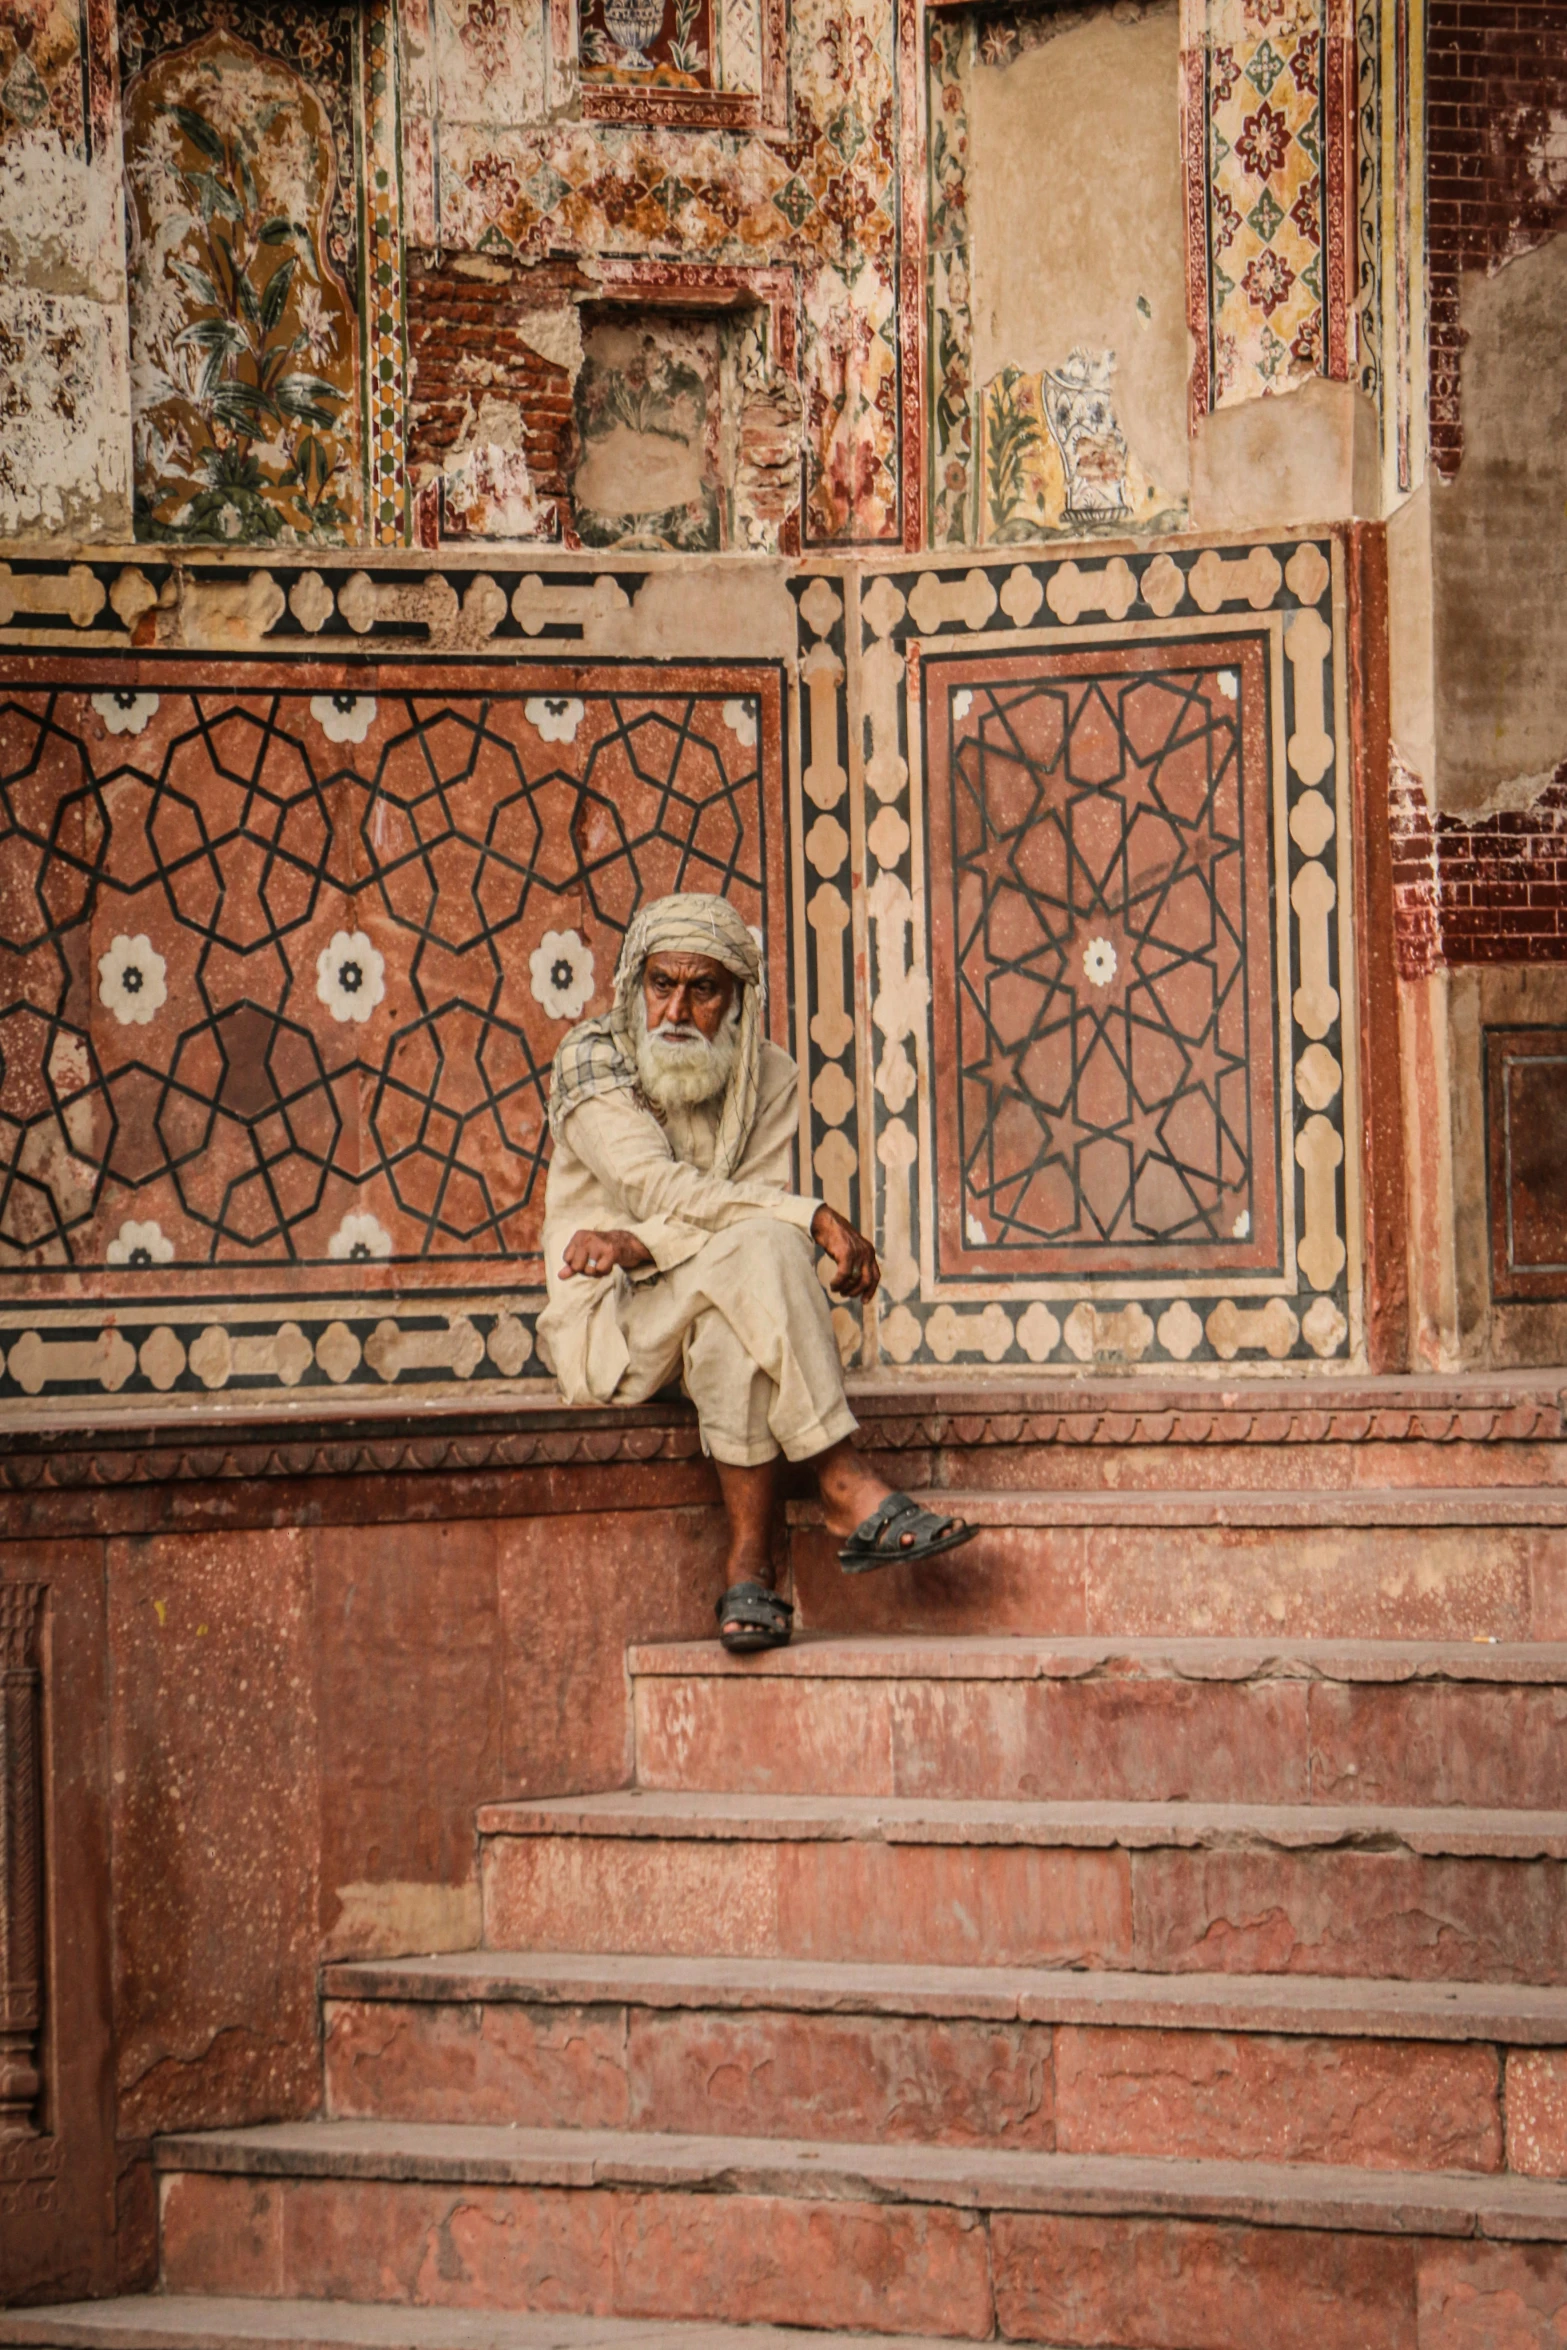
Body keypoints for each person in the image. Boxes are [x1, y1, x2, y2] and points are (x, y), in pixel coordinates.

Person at [537, 892, 975, 1651]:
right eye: (660, 984)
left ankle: (748, 1570)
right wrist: (810, 1217)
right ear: (635, 985)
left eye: (702, 989)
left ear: (738, 998)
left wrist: (643, 1242)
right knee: (765, 1245)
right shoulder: (593, 1058)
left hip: (706, 1304)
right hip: (609, 1326)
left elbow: (734, 1217)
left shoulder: (768, 1075)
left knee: (737, 1302)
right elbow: (663, 1188)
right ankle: (840, 1481)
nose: (675, 1009)